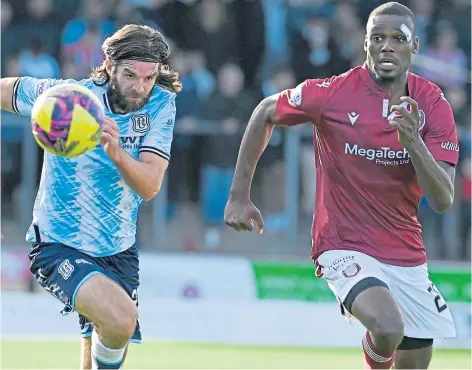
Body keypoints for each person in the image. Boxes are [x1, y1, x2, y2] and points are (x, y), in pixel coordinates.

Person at [224, 2, 458, 369]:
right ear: (364, 43)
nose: (386, 46)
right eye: (377, 38)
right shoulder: (332, 94)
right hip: (342, 243)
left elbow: (443, 199)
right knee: (387, 325)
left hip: (405, 250)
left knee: (413, 361)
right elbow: (266, 111)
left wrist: (413, 143)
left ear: (414, 47)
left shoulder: (432, 104)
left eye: (398, 39)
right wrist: (239, 195)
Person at [0, 24, 181, 369]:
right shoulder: (71, 99)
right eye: (130, 75)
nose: (139, 87)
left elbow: (149, 186)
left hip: (118, 248)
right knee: (121, 318)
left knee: (114, 334)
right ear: (110, 65)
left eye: (148, 77)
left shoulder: (161, 105)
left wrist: (117, 153)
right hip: (58, 243)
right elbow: (6, 90)